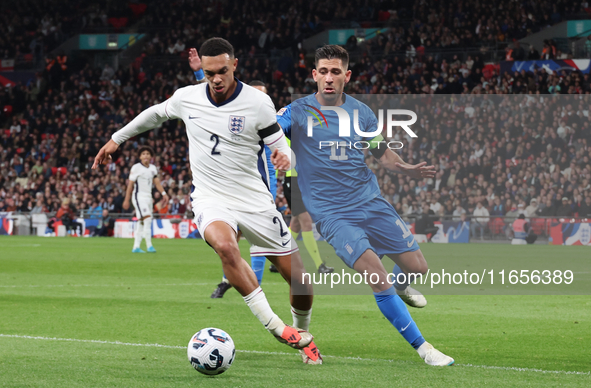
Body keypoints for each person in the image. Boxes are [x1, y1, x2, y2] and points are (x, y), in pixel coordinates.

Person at [93, 38, 320, 364]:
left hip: (254, 199)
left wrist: (286, 158)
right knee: (226, 247)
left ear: (235, 65)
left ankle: (304, 334)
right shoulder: (188, 97)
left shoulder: (257, 103)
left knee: (299, 279)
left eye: (222, 71)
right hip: (211, 197)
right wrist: (117, 138)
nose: (216, 78)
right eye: (210, 72)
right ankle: (277, 327)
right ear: (203, 68)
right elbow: (153, 115)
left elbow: (280, 145)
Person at [278, 44, 454, 366]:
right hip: (332, 213)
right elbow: (270, 132)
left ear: (347, 76)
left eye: (336, 72)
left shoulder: (362, 113)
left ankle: (402, 289)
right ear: (314, 75)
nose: (329, 78)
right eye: (323, 72)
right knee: (377, 273)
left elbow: (383, 154)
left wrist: (406, 168)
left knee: (418, 267)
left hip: (370, 201)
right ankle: (424, 349)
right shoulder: (297, 112)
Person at [122, 146, 168, 253]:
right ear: (140, 157)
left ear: (151, 156)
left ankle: (136, 247)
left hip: (148, 197)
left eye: (148, 153)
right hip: (139, 197)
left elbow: (157, 183)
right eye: (143, 154)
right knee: (148, 219)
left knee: (142, 222)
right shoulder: (136, 167)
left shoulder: (152, 168)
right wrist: (126, 199)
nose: (146, 155)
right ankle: (149, 246)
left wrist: (164, 193)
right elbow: (130, 185)